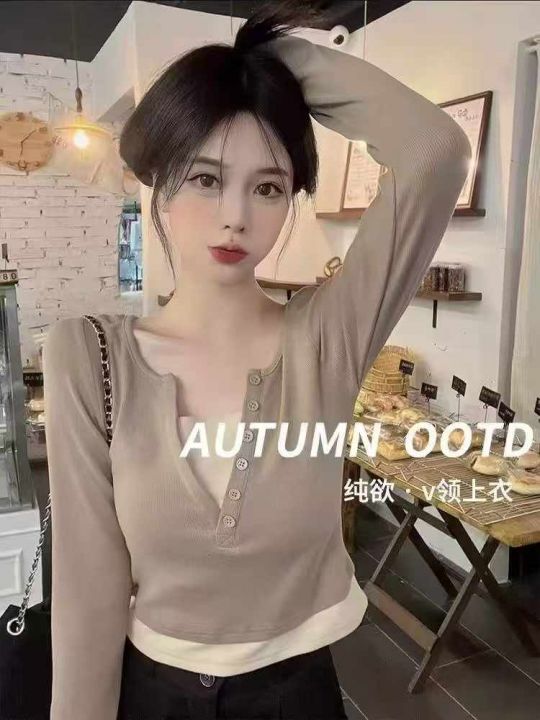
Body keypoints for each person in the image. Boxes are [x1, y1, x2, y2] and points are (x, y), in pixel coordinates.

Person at [42, 1, 471, 718]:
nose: (236, 216)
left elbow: (435, 151)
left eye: (268, 187)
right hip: (152, 694)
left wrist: (269, 64)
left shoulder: (328, 337)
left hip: (295, 695)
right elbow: (88, 590)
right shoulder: (90, 356)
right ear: (161, 181)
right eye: (206, 178)